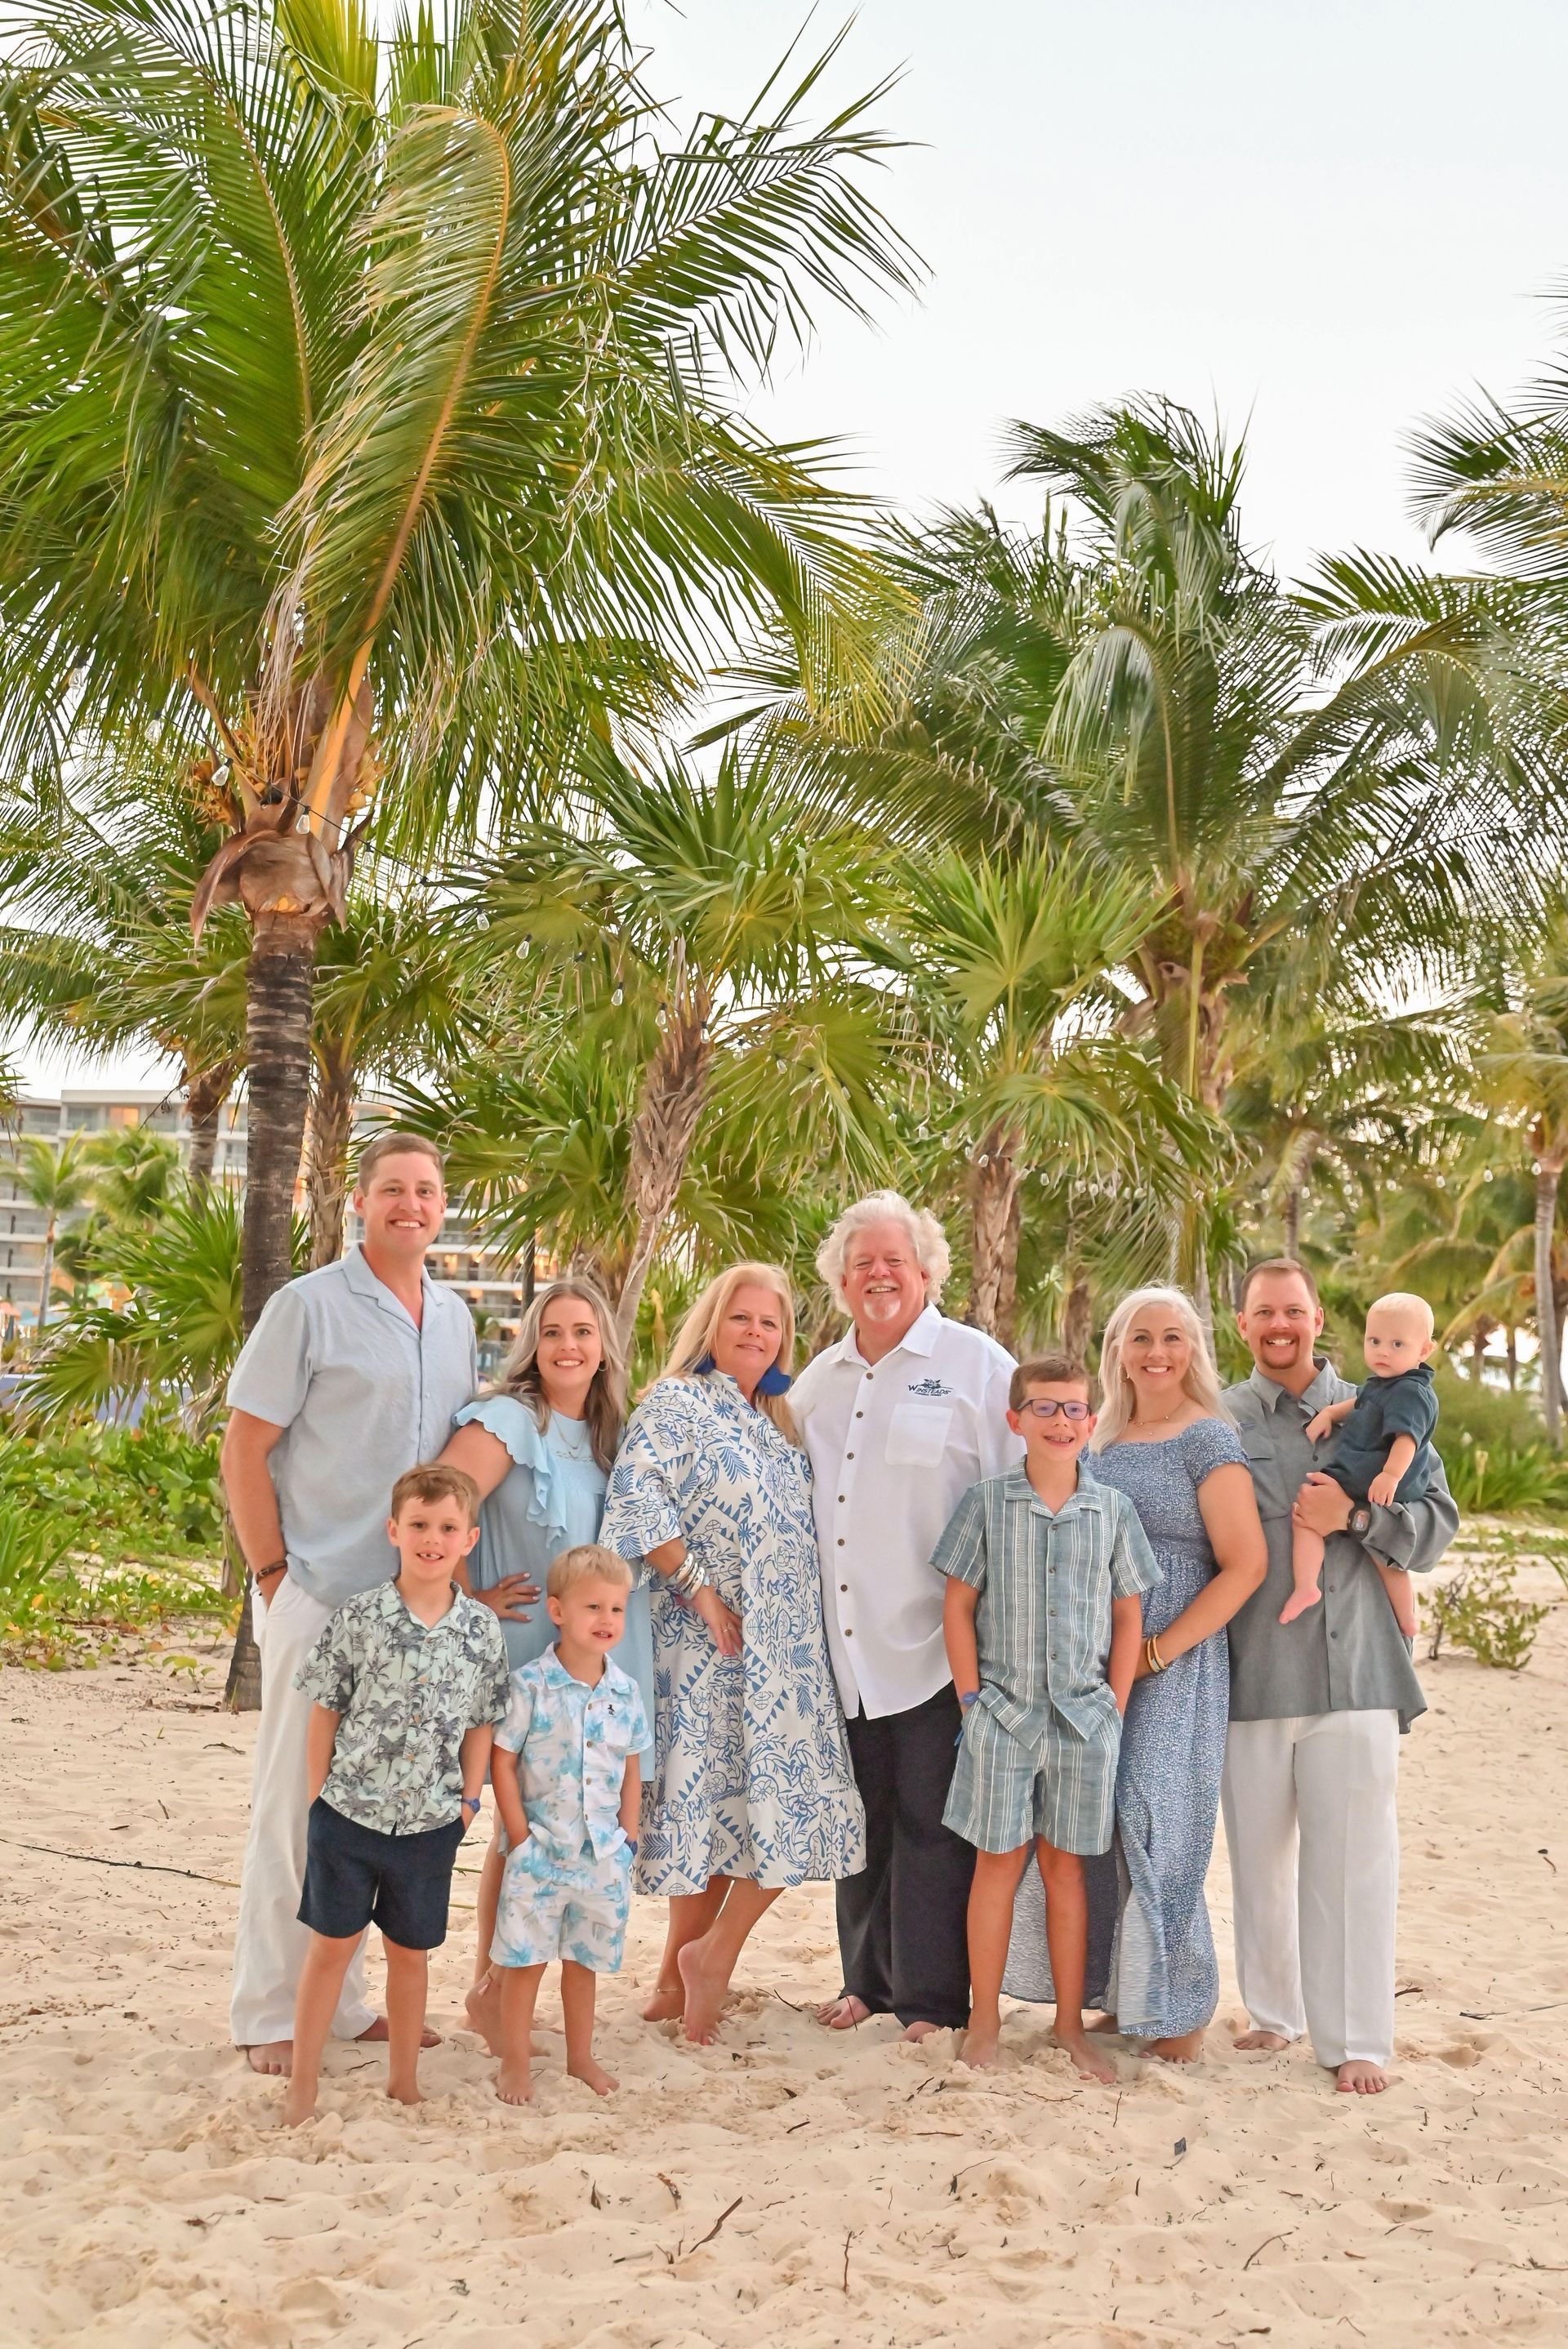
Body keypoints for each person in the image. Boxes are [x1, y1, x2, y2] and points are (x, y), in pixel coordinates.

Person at [224, 1134, 479, 2075]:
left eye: (426, 1190)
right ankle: (266, 2011)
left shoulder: (452, 1316)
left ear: (441, 1205)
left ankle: (346, 2003)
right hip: (322, 1593)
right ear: (359, 1201)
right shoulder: (308, 1307)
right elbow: (244, 1447)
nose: (410, 1204)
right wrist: (272, 1576)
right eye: (392, 1190)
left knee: (381, 1810)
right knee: (297, 1805)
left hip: (411, 1614)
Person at [601, 1260, 865, 2044]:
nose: (757, 1332)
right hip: (708, 1647)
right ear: (712, 1326)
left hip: (786, 1656)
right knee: (726, 1810)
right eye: (742, 1318)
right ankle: (700, 1965)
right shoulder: (680, 1403)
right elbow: (637, 1493)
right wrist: (700, 1588)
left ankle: (687, 1966)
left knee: (764, 1813)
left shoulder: (779, 1423)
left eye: (771, 1322)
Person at [1003, 1288, 1267, 2062]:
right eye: (1141, 1337)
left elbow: (1245, 1565)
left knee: (1160, 1816)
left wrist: (1159, 1651)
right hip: (1094, 1656)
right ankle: (1125, 2000)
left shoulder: (1209, 1437)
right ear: (1118, 1347)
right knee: (1101, 1821)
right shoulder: (1102, 1439)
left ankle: (1180, 2016)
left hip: (1176, 1658)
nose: (1157, 1351)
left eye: (1173, 1337)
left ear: (1195, 1348)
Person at [1222, 1259, 1459, 2095]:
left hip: (1356, 1667)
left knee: (1355, 1859)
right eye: (1263, 1312)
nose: (1279, 1324)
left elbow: (1435, 1525)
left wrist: (1356, 1516)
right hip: (1248, 1673)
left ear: (1318, 1317)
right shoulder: (1218, 1418)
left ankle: (1356, 2036)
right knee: (1258, 1861)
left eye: (1294, 1309)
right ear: (1242, 1321)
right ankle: (1275, 2013)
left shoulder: (1386, 1404)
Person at [791, 1192, 1020, 2042]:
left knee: (933, 1826)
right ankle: (867, 1982)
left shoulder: (976, 1364)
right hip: (843, 1648)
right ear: (842, 1280)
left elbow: (1017, 1488)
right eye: (863, 1263)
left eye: (895, 1259)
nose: (879, 1273)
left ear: (927, 1271)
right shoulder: (820, 1377)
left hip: (938, 1644)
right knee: (864, 1822)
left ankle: (927, 2001)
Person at [434, 1277, 653, 2049]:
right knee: (515, 1833)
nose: (568, 1346)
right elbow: (445, 1497)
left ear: (604, 1348)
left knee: (563, 1821)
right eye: (554, 1331)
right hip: (528, 1650)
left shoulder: (609, 1435)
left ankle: (508, 1994)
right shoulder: (509, 1419)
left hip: (596, 1654)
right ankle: (489, 1989)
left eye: (584, 1332)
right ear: (535, 1343)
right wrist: (469, 1595)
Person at [938, 1353, 1160, 2080]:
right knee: (996, 1866)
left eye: (1073, 1409)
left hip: (1084, 1721)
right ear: (1016, 1420)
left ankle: (1069, 2025)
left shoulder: (1112, 1510)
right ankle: (982, 2020)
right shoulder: (985, 1503)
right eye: (1044, 1408)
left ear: (1091, 1422)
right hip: (1002, 1716)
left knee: (1067, 1871)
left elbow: (1129, 1616)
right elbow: (959, 1606)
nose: (1060, 1421)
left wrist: (1116, 1706)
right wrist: (973, 1701)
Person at [283, 1464, 510, 2125]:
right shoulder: (360, 1617)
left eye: (446, 1528)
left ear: (468, 1539)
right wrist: (318, 1796)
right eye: (418, 1525)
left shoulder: (478, 1631)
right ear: (394, 1531)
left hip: (431, 1823)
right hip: (348, 1816)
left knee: (411, 1956)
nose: (431, 1539)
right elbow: (324, 1708)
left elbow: (482, 1722)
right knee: (331, 1947)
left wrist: (469, 1801)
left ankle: (404, 2081)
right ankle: (302, 2082)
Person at [488, 1544, 651, 2104]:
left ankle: (580, 2057)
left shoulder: (626, 1692)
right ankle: (514, 2062)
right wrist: (517, 1835)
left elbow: (632, 1766)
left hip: (602, 1854)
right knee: (525, 1962)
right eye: (592, 1608)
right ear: (557, 1611)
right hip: (540, 1850)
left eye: (616, 1609)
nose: (606, 1621)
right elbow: (502, 1760)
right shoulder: (530, 1685)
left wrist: (628, 1834)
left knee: (585, 1963)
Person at [1280, 1290, 1437, 1633]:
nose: (1383, 1351)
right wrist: (1330, 1413)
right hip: (1368, 1475)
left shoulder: (1411, 1392)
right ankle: (1310, 1588)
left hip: (1375, 1477)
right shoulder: (1382, 1385)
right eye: (1375, 1340)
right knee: (1381, 1554)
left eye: (1398, 1345)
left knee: (1313, 1520)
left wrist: (1391, 1475)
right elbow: (1357, 1404)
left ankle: (1310, 1586)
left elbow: (1407, 1439)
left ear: (1424, 1351)